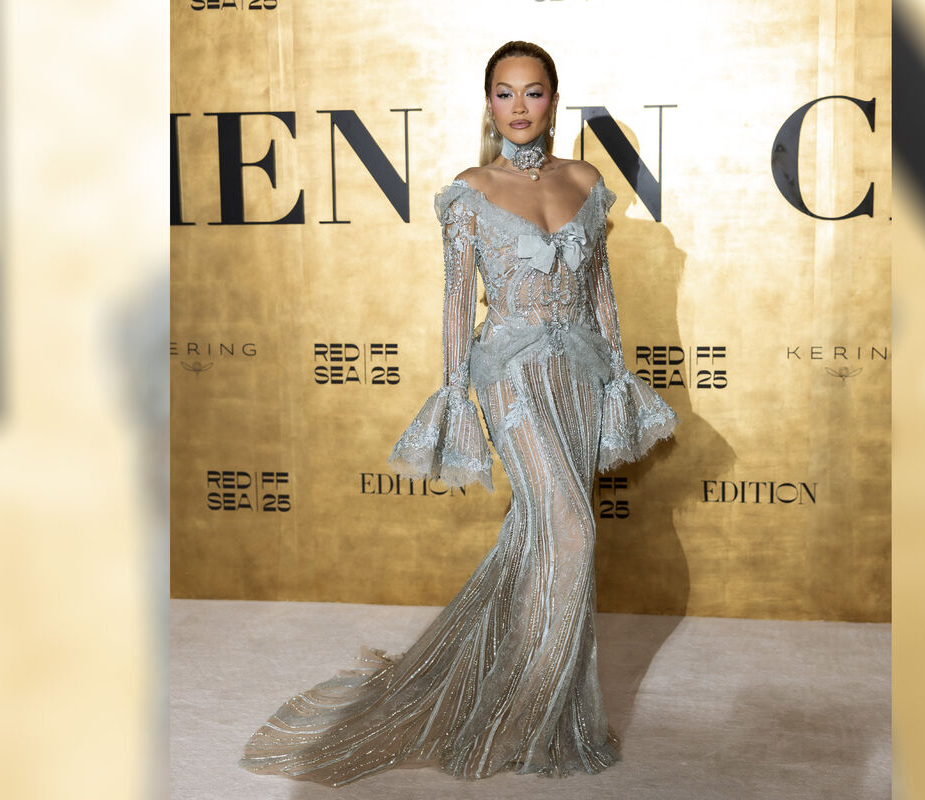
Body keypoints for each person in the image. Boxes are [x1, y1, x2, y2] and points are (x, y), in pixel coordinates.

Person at [238, 40, 678, 787]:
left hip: (578, 374)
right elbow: (455, 300)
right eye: (504, 93)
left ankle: (538, 695)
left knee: (542, 535)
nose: (518, 107)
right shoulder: (471, 191)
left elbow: (601, 291)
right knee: (570, 528)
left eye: (532, 92)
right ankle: (526, 710)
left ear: (554, 100)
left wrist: (615, 376)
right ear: (488, 102)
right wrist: (453, 393)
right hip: (510, 378)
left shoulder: (586, 180)